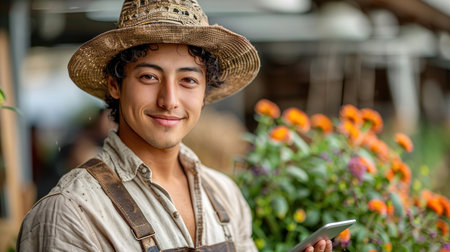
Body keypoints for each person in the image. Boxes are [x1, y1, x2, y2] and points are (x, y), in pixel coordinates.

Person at [17, 0, 332, 251]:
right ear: (114, 85)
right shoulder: (71, 212)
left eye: (188, 80)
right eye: (149, 77)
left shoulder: (225, 196)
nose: (169, 100)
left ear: (205, 91)